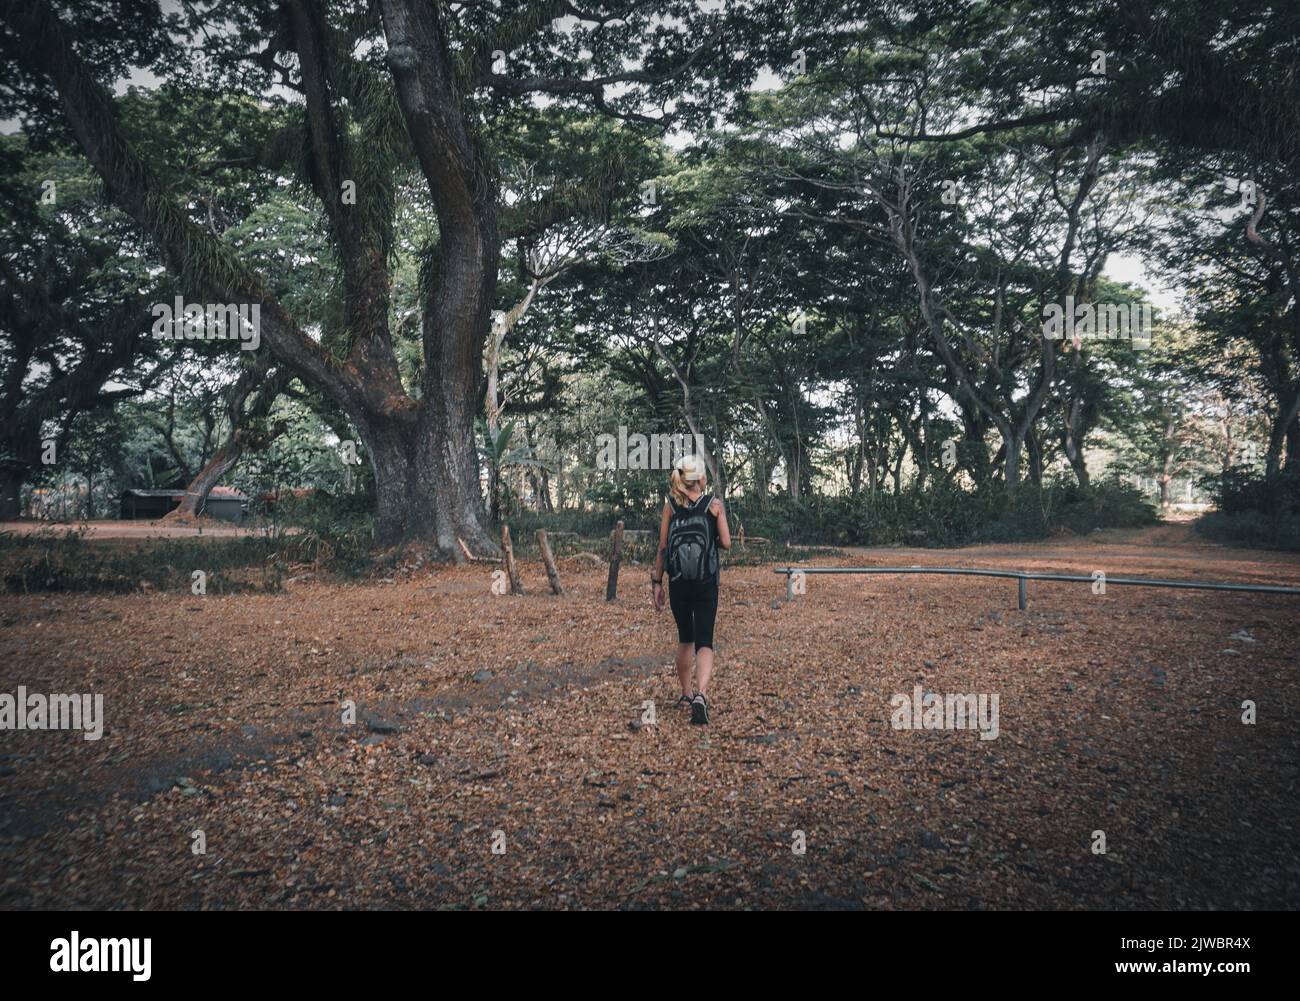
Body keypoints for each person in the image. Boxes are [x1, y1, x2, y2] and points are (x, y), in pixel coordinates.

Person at [652, 453, 730, 725]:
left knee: (685, 638)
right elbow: (727, 542)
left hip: (678, 584)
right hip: (706, 582)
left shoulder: (670, 507)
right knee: (704, 640)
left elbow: (662, 547)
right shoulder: (714, 504)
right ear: (703, 479)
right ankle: (701, 695)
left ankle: (685, 693)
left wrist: (657, 583)